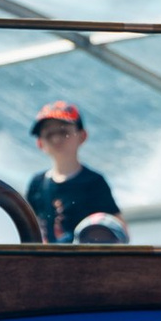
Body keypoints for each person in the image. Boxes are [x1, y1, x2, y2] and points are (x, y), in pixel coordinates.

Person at [25, 102, 122, 243]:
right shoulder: (37, 184)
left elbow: (117, 229)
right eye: (48, 134)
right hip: (46, 261)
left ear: (82, 136)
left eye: (63, 132)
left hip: (85, 260)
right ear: (40, 143)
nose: (56, 139)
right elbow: (27, 227)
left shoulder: (94, 182)